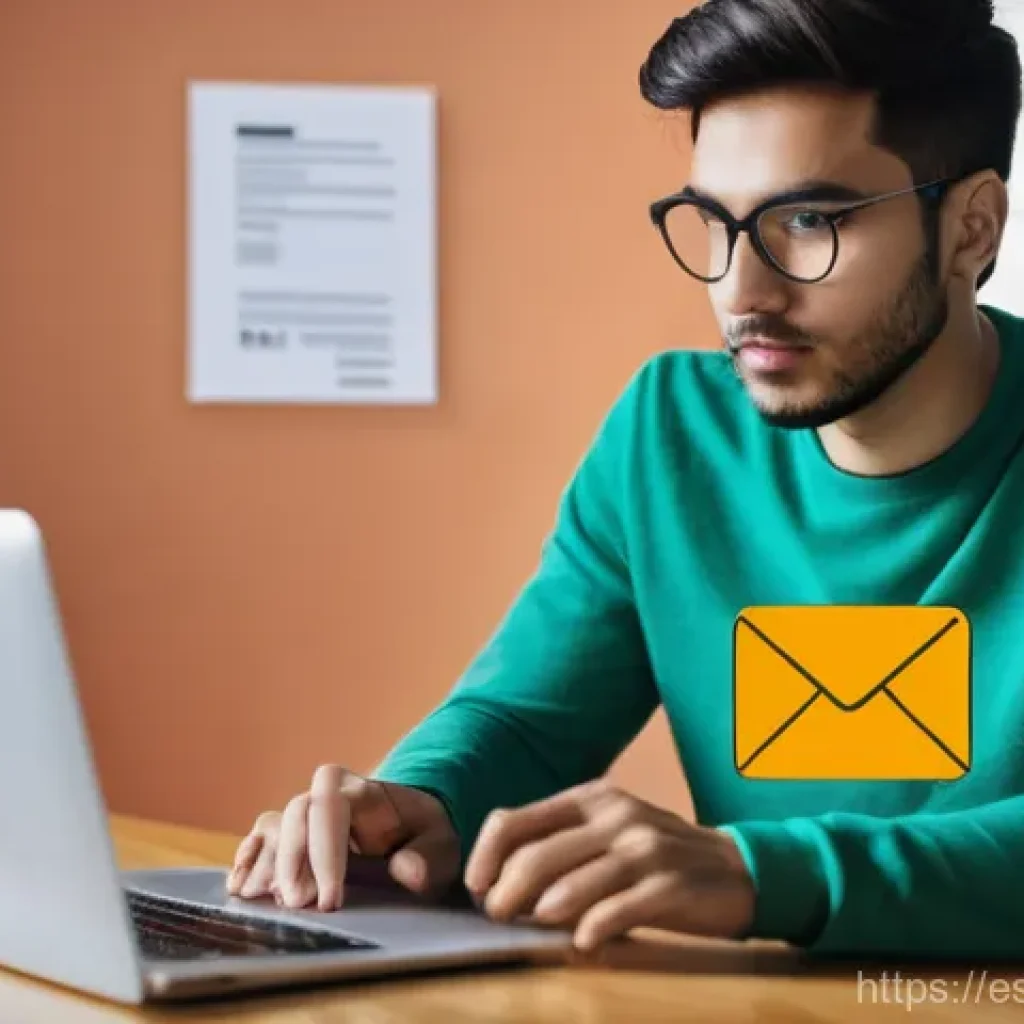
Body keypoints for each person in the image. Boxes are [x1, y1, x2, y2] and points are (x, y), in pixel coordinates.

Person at [228, 0, 1024, 958]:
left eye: (808, 221)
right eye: (713, 222)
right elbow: (522, 719)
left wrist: (760, 874)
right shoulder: (669, 434)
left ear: (974, 228)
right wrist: (414, 804)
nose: (741, 291)